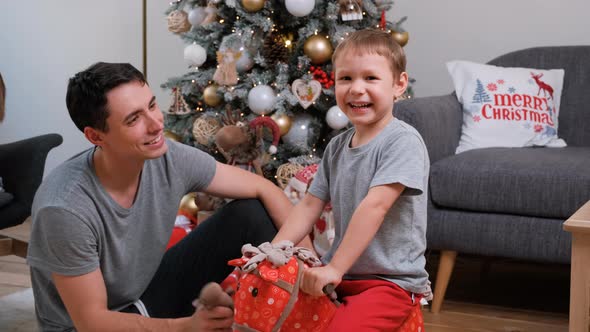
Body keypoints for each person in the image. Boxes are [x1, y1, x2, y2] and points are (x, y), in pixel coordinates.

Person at [26, 62, 293, 331]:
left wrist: (308, 267)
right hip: (94, 325)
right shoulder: (64, 208)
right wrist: (184, 327)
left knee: (250, 212)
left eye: (152, 105)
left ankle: (303, 310)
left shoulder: (167, 157)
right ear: (96, 136)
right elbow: (92, 322)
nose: (156, 125)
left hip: (144, 296)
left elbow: (264, 188)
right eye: (133, 119)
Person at [272, 28, 431, 331]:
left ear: (399, 84)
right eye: (346, 78)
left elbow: (375, 207)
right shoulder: (337, 147)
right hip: (343, 273)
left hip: (388, 281)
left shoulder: (403, 142)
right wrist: (276, 250)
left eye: (370, 78)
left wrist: (334, 268)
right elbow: (309, 205)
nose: (356, 89)